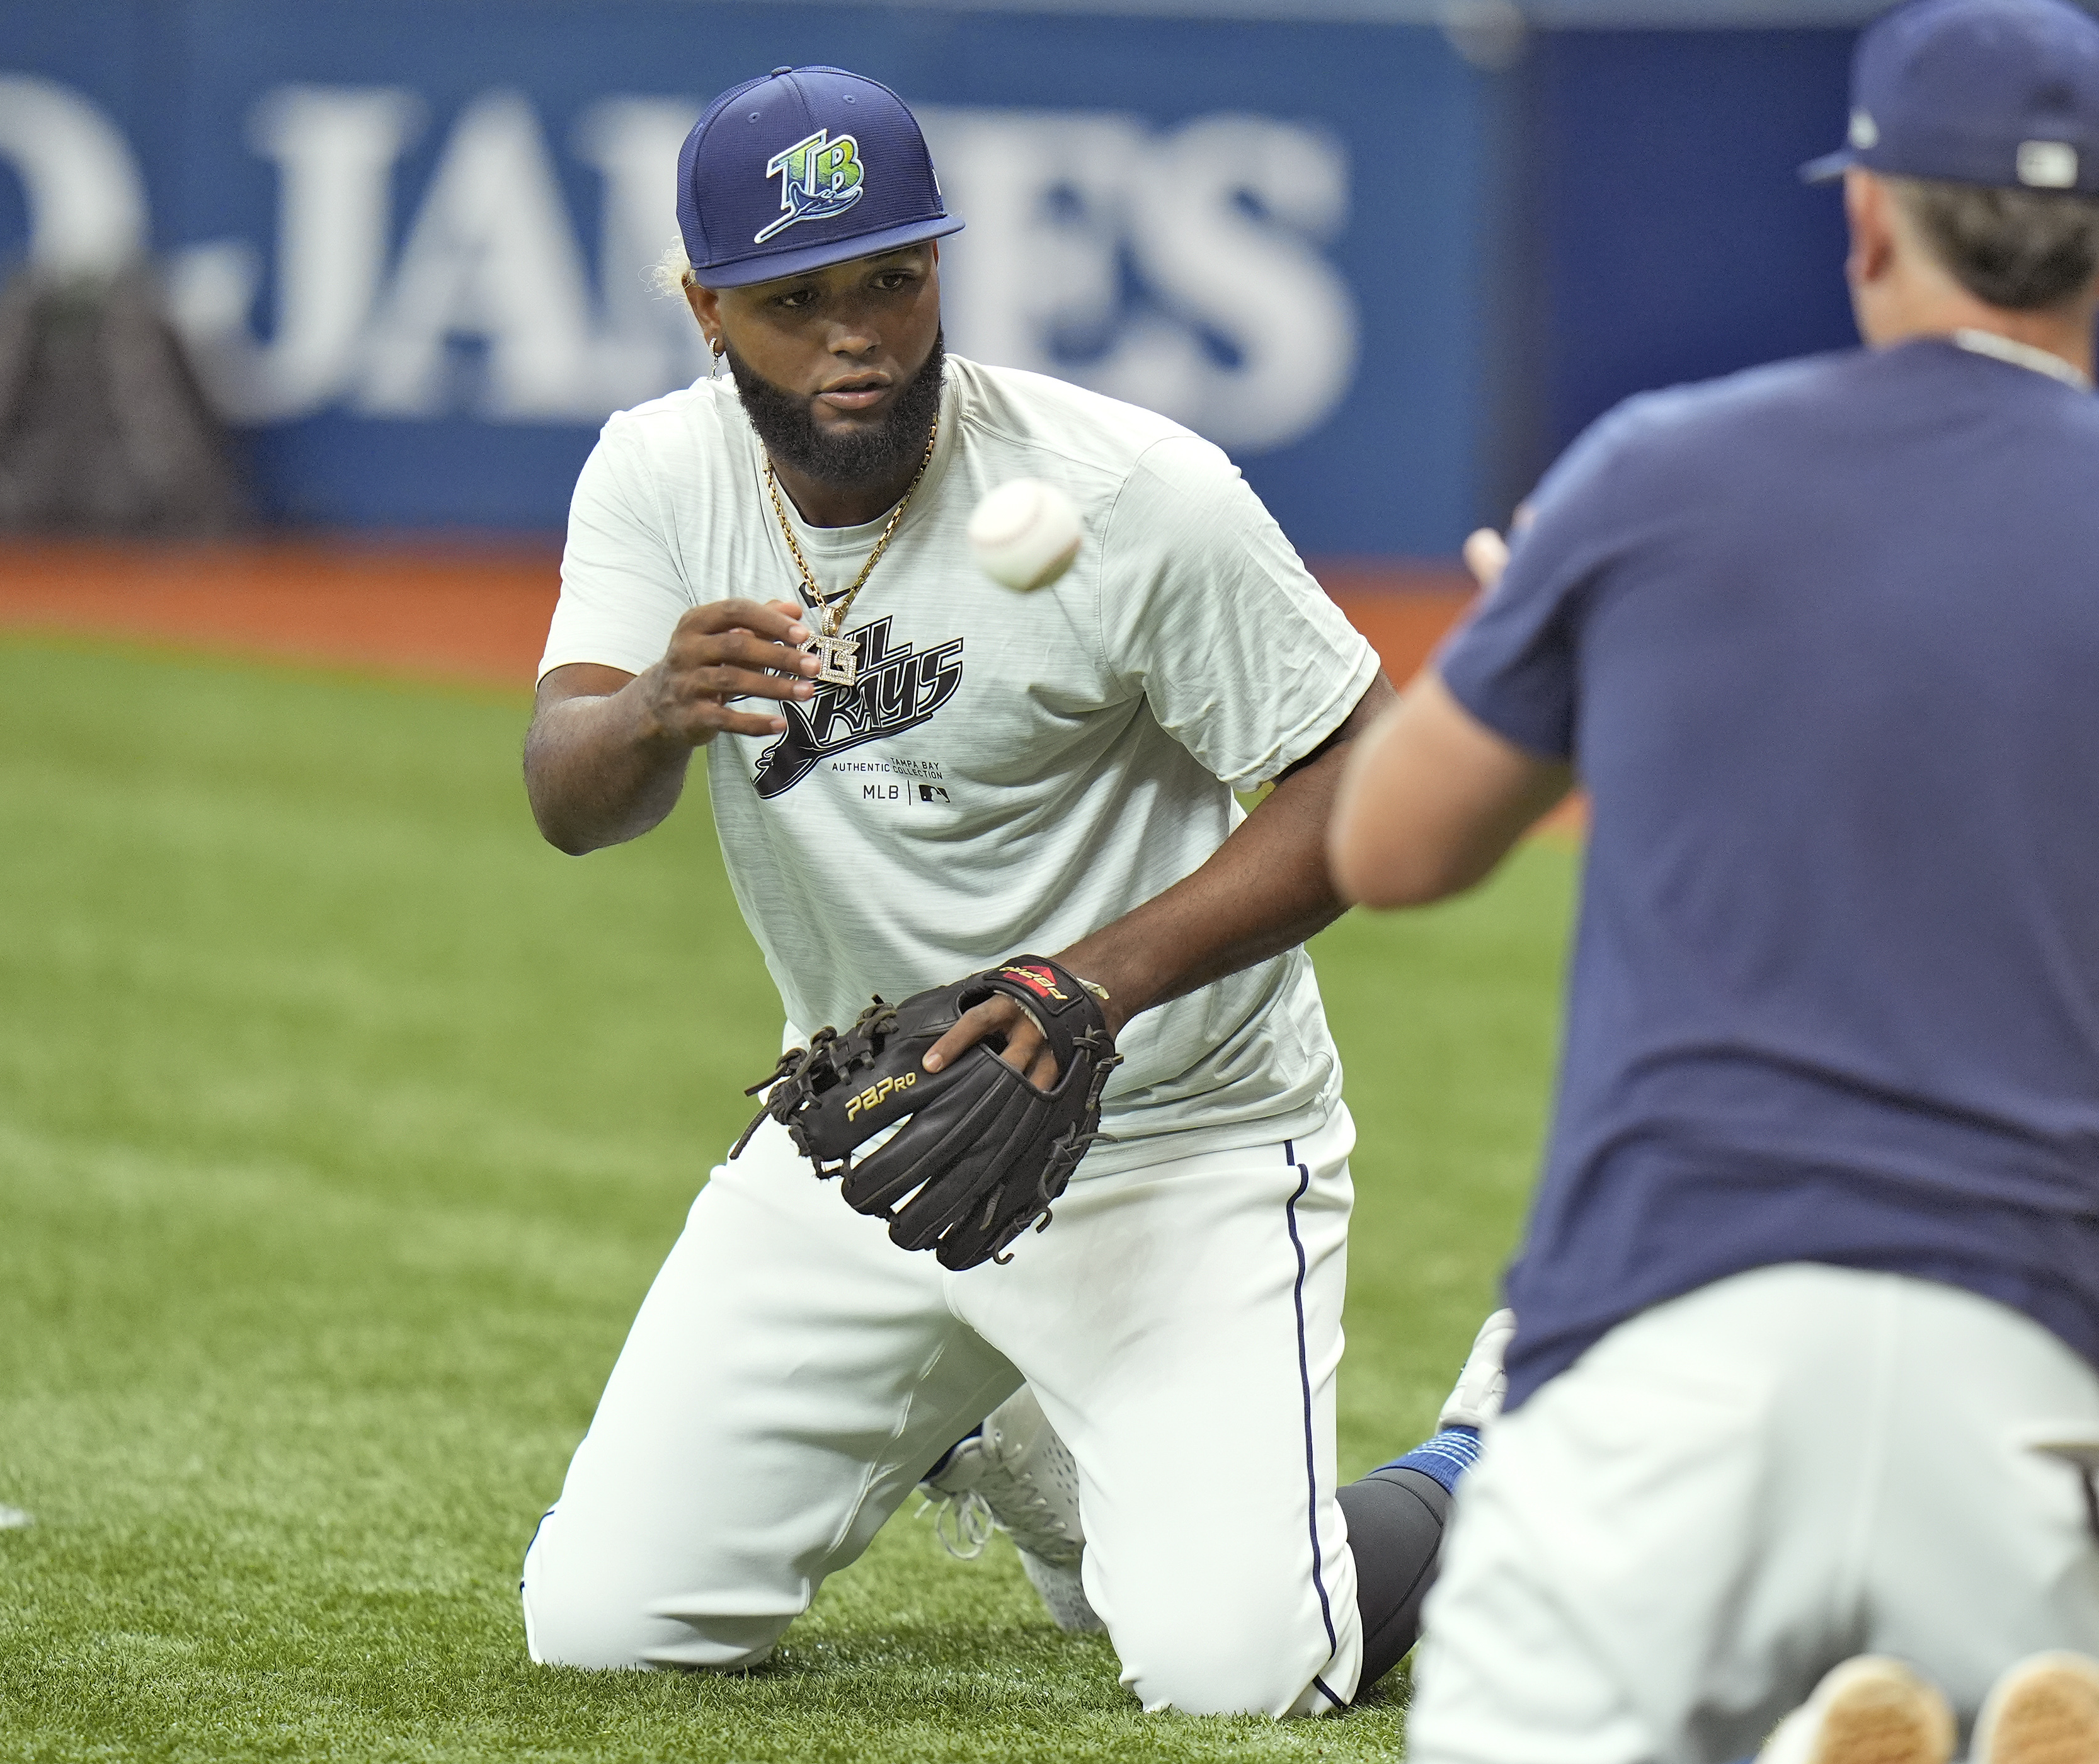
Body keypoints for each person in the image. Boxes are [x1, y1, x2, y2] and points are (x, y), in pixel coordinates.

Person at [1327, 1, 2099, 1760]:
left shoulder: (1650, 484)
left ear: (1865, 220)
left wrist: (1549, 625)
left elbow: (1385, 851)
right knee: (1989, 1641)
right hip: (2031, 1409)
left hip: (1660, 1362)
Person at [517, 64, 1502, 1717]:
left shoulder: (1135, 497)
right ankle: (1012, 1436)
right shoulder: (656, 478)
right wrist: (648, 711)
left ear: (943, 272)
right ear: (705, 309)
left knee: (1239, 1668)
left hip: (1173, 1149)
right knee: (607, 1625)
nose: (858, 335)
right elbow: (568, 795)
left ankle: (1492, 1454)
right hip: (877, 1140)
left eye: (893, 278)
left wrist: (1085, 985)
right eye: (796, 299)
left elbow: (1363, 787)